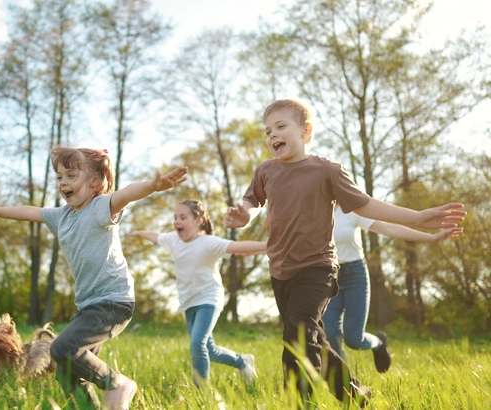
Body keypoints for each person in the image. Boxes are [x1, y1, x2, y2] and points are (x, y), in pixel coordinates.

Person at [223, 99, 466, 407]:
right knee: (315, 340)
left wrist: (417, 217)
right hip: (280, 272)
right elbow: (252, 200)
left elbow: (365, 205)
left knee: (297, 339)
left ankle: (298, 402)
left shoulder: (327, 171)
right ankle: (356, 396)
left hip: (317, 269)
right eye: (268, 131)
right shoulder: (266, 171)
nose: (273, 136)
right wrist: (243, 214)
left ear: (306, 131)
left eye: (281, 127)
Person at [0, 146, 188, 410]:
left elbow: (125, 195)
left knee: (61, 349)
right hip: (88, 306)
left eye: (71, 175)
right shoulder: (61, 216)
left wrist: (152, 186)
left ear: (95, 182)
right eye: (60, 177)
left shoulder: (99, 208)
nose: (63, 182)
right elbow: (31, 211)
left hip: (113, 301)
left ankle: (118, 384)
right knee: (68, 372)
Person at [127, 199, 267, 389]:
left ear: (198, 220)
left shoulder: (209, 243)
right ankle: (243, 361)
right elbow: (156, 236)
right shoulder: (173, 240)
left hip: (209, 298)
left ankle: (202, 393)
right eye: (175, 217)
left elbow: (239, 247)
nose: (177, 221)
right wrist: (138, 232)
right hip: (189, 301)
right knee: (210, 350)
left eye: (183, 217)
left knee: (197, 344)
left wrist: (270, 245)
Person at [325, 207, 462, 371]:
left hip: (355, 274)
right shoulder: (315, 210)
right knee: (331, 334)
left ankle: (379, 343)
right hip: (329, 274)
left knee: (354, 339)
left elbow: (388, 227)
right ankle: (346, 385)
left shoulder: (351, 209)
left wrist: (430, 238)